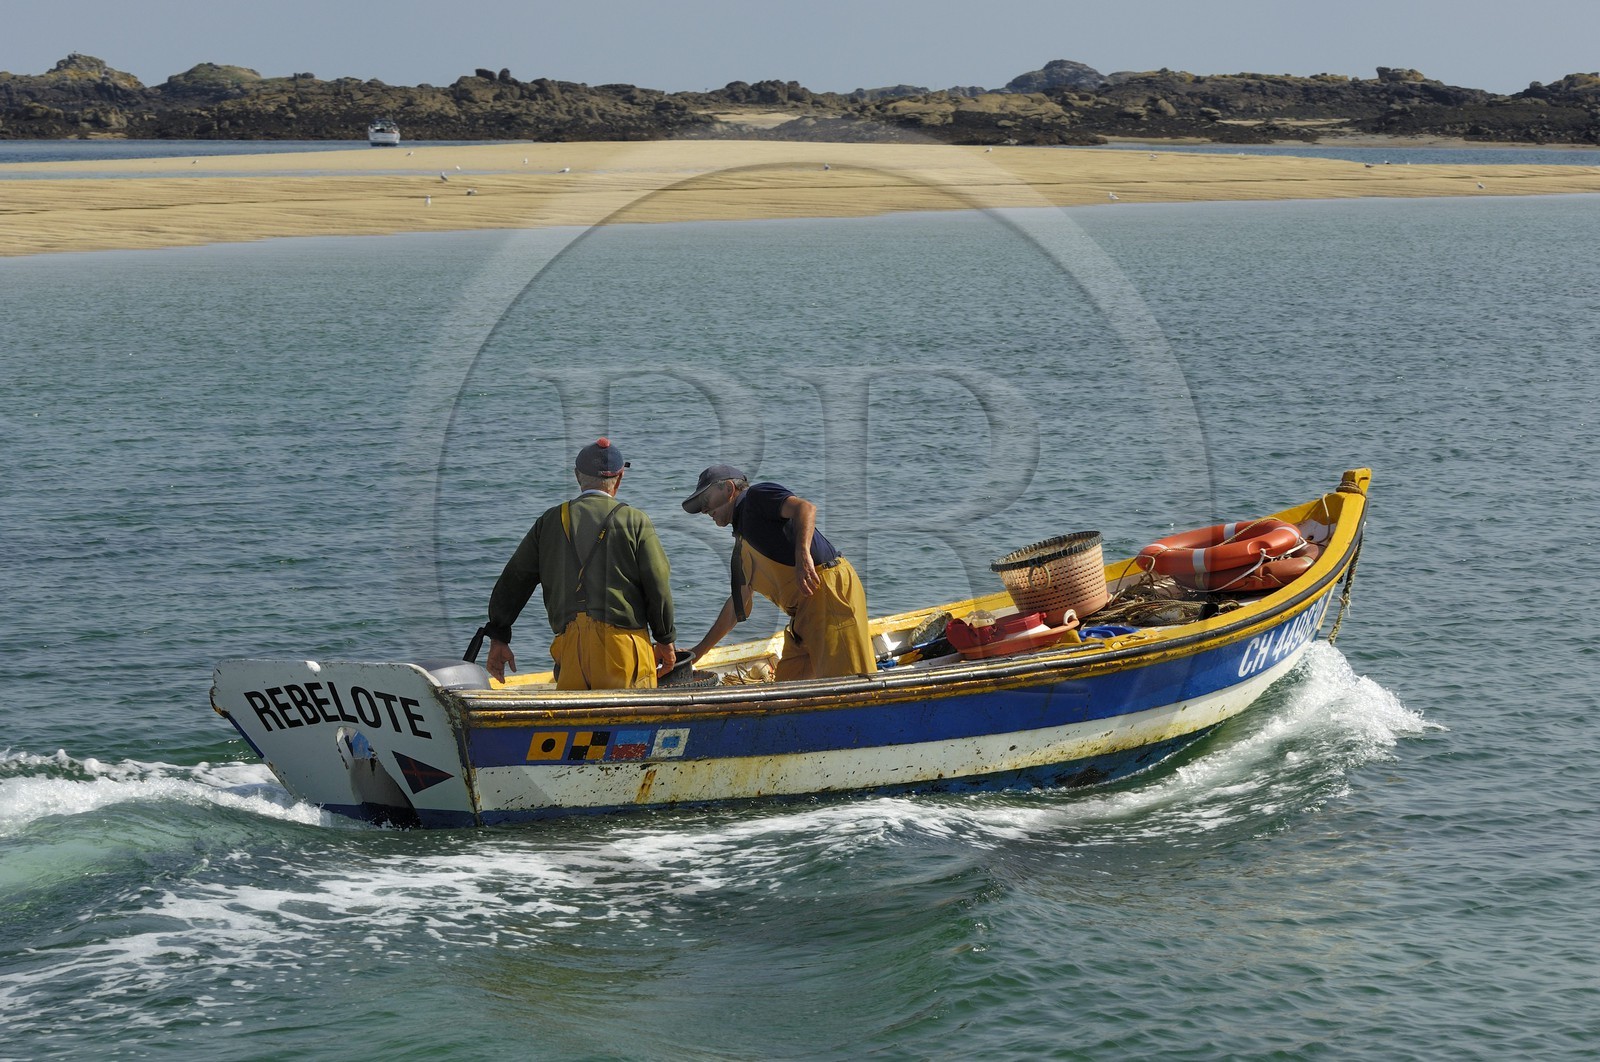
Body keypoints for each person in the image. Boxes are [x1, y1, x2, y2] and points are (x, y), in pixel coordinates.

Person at [481, 438, 676, 689]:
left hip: (569, 650)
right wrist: (664, 639)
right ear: (619, 478)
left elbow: (514, 581)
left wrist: (498, 636)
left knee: (577, 724)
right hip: (624, 649)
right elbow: (658, 583)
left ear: (577, 476)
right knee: (630, 721)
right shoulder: (635, 520)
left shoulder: (549, 521)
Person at [681, 465, 873, 682]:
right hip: (803, 618)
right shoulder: (742, 546)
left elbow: (805, 508)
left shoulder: (756, 496)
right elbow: (737, 606)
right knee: (786, 693)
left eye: (705, 500)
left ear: (728, 488)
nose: (704, 510)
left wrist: (802, 555)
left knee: (850, 686)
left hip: (830, 597)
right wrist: (697, 653)